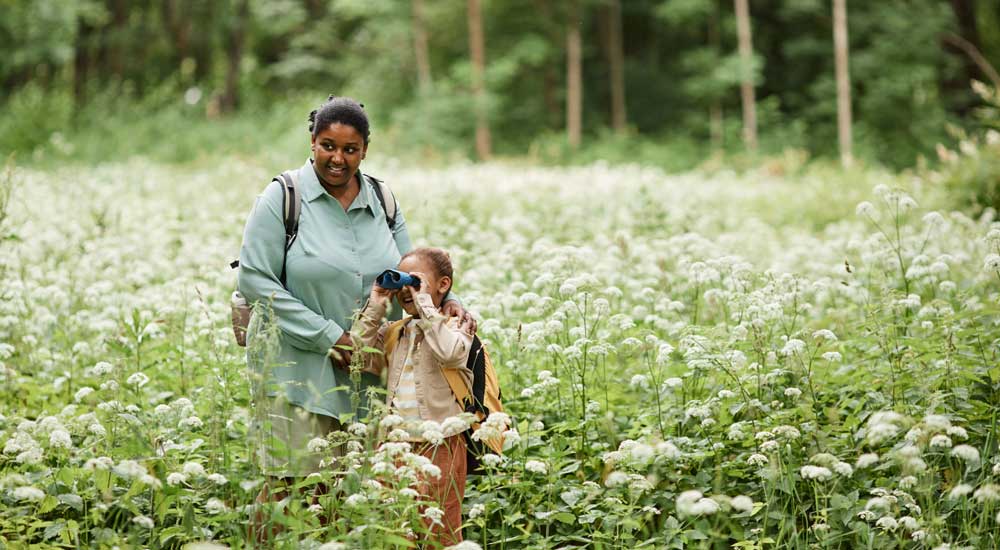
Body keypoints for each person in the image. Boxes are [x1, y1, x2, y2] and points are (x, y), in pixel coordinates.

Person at [236, 97, 472, 531]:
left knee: (351, 500)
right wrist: (331, 337)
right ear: (312, 142)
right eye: (328, 146)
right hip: (295, 372)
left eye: (350, 149)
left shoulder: (381, 198)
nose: (337, 159)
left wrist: (452, 300)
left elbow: (412, 269)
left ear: (365, 149)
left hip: (367, 372)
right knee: (290, 497)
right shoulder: (282, 197)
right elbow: (255, 280)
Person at [354, 247, 472, 547]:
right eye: (401, 282)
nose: (407, 290)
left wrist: (426, 305)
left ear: (443, 285)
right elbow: (356, 354)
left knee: (440, 530)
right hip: (395, 446)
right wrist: (377, 303)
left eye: (415, 280)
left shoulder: (455, 325)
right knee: (394, 528)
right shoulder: (397, 331)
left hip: (441, 444)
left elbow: (450, 353)